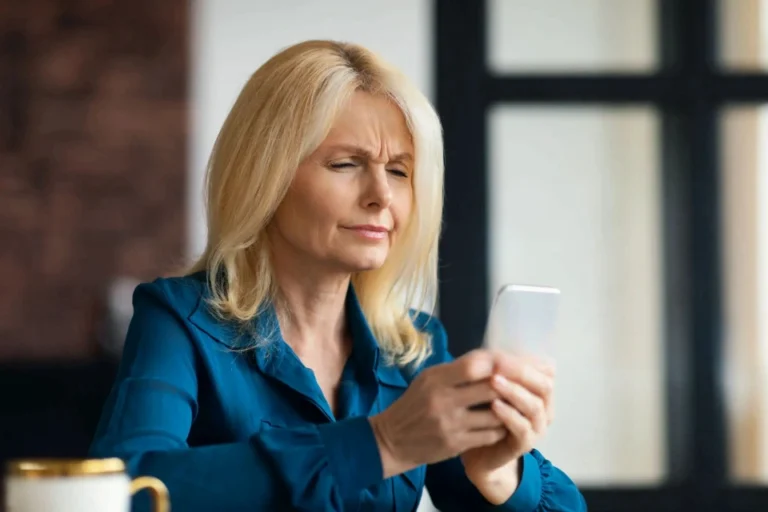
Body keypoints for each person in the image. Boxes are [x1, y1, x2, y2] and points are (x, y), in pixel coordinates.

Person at [90, 40, 586, 511]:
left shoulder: (412, 347)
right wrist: (380, 444)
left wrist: (497, 473)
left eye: (399, 171)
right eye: (347, 163)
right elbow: (122, 491)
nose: (381, 196)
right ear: (265, 177)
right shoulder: (180, 319)